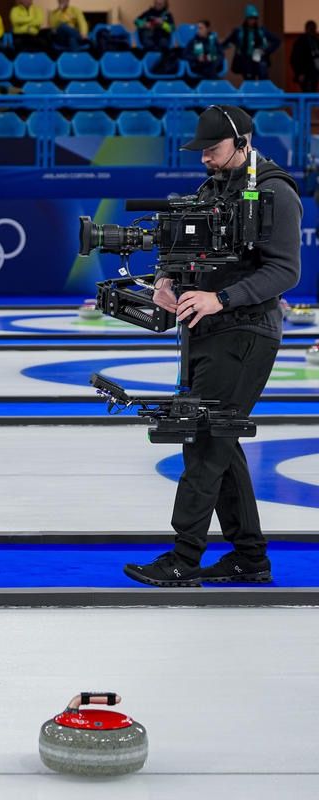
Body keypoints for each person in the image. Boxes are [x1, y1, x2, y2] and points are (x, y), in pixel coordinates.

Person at [126, 105, 302, 588]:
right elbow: (184, 248)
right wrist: (167, 280)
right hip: (205, 331)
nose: (204, 158)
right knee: (221, 441)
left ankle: (184, 559)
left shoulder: (275, 190)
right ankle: (250, 557)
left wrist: (219, 298)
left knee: (203, 440)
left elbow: (286, 270)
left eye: (213, 149)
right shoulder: (212, 188)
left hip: (246, 331)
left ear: (243, 142)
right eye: (201, 150)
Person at [224, 6, 280, 82]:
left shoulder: (261, 31)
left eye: (255, 19)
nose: (252, 21)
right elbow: (226, 43)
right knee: (249, 81)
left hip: (259, 57)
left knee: (263, 77)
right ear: (246, 19)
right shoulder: (239, 32)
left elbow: (277, 41)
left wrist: (266, 50)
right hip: (245, 60)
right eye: (250, 18)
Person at [290, 20, 319, 93]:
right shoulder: (301, 41)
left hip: (314, 73)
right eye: (311, 28)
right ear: (306, 29)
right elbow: (295, 58)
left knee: (313, 91)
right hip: (305, 73)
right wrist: (299, 72)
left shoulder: (315, 41)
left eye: (314, 28)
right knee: (307, 92)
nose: (313, 30)